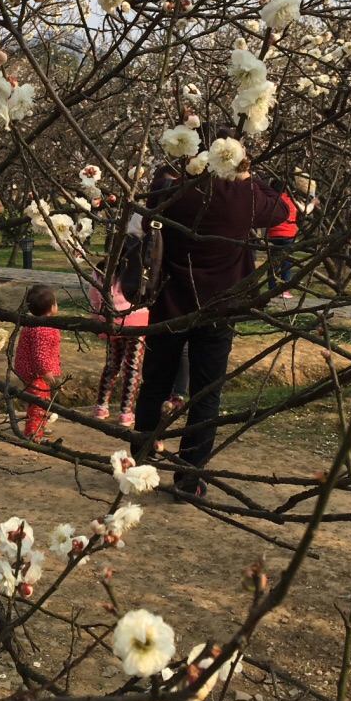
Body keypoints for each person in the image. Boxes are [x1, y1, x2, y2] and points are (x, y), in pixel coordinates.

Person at [133, 154, 286, 496]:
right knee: (206, 393)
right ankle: (189, 476)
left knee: (156, 382)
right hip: (221, 305)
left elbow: (146, 224)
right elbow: (281, 210)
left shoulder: (169, 188)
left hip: (171, 303)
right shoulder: (242, 196)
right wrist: (251, 177)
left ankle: (141, 464)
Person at [88, 222, 149, 427]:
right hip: (138, 322)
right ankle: (125, 412)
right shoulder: (139, 268)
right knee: (132, 367)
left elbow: (95, 299)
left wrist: (97, 321)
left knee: (112, 364)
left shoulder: (100, 270)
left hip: (111, 321)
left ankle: (101, 406)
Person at [14, 284, 60, 440]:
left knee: (42, 399)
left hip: (32, 370)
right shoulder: (42, 328)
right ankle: (33, 433)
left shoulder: (35, 323)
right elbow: (40, 354)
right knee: (38, 402)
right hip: (35, 372)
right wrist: (47, 370)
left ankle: (40, 425)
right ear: (52, 307)